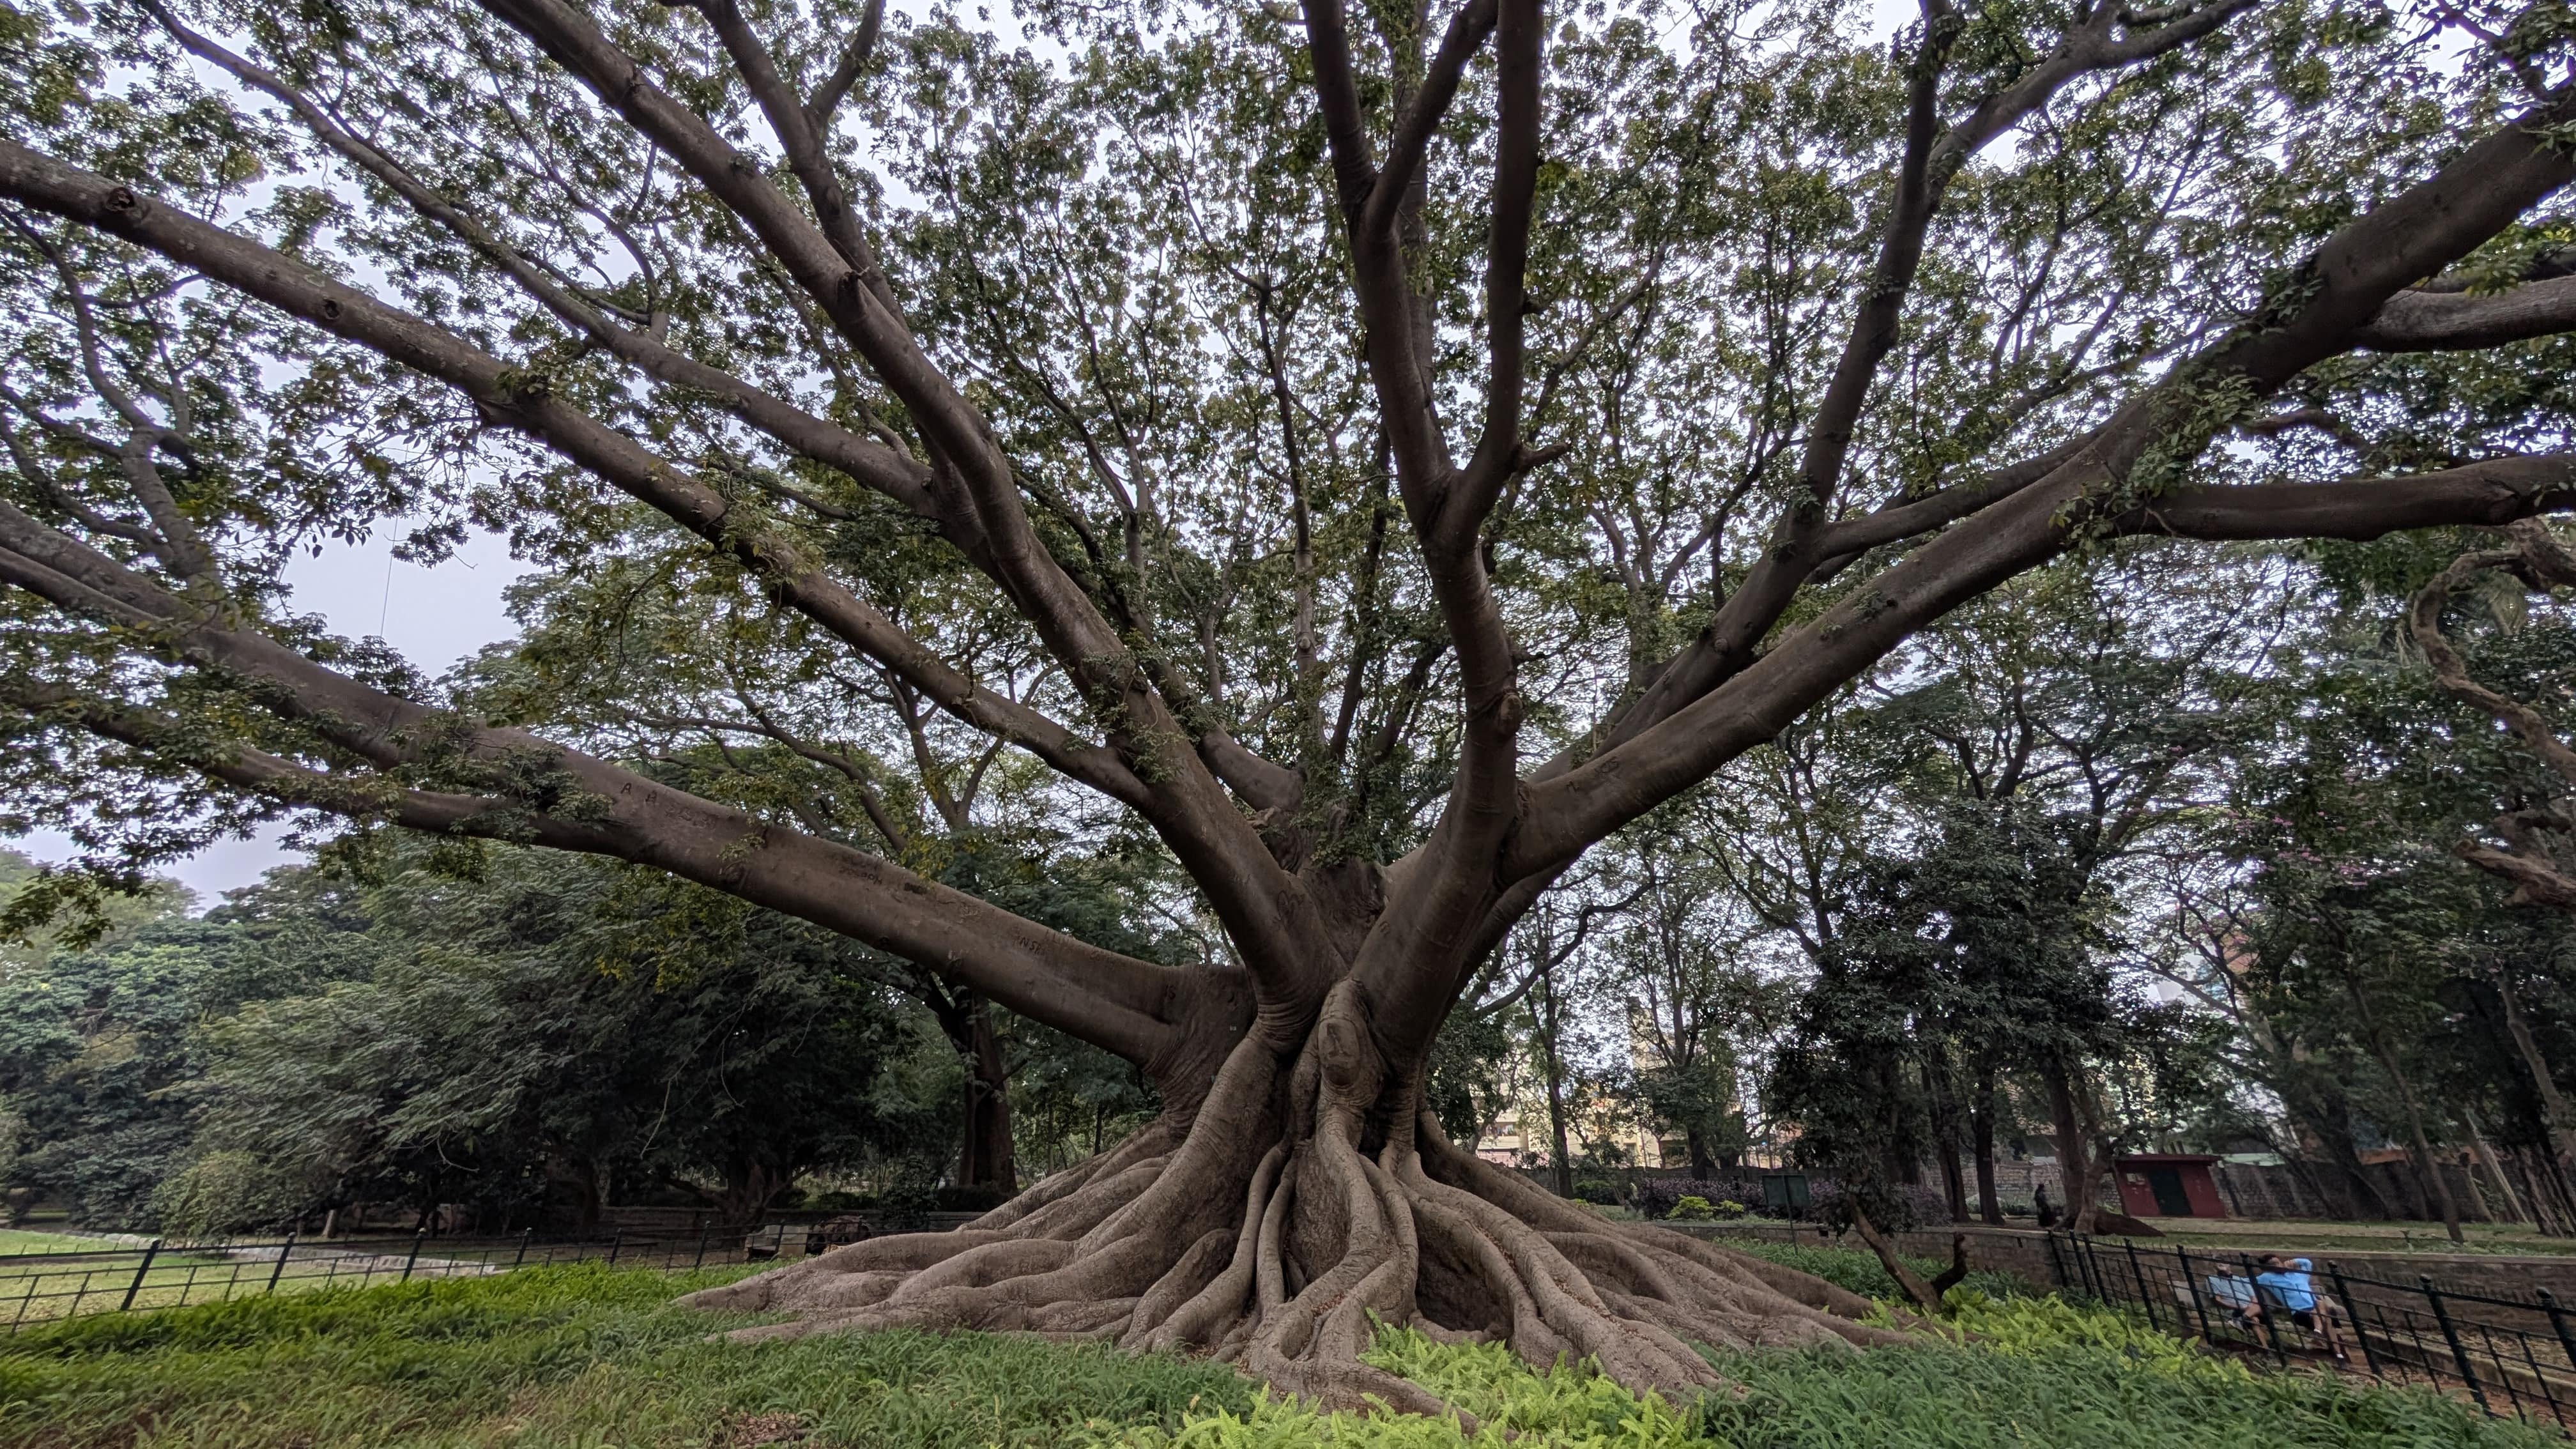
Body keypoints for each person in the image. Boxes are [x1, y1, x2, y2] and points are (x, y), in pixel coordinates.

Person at [2253, 1254, 2349, 1361]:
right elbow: (2249, 1279)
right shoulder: (2268, 1278)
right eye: (2273, 1264)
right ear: (2268, 1268)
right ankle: (2338, 1353)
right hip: (2299, 1312)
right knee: (2325, 1315)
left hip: (2315, 1308)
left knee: (2321, 1307)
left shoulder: (2298, 1275)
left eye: (2278, 1262)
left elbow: (2307, 1263)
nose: (2277, 1265)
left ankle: (2325, 1338)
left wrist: (2293, 1261)